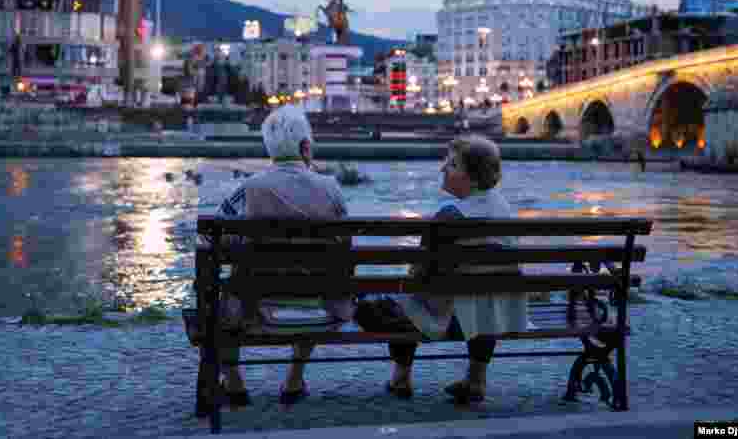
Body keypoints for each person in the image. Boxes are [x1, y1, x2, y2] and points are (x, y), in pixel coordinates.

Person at [198, 104, 352, 416]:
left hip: (257, 304)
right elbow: (346, 249)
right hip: (321, 304)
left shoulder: (250, 188)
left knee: (215, 298)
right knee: (315, 277)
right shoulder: (332, 188)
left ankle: (236, 382)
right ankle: (294, 380)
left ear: (269, 150)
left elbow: (212, 240)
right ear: (306, 147)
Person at [354, 135, 527, 403]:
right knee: (482, 297)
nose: (442, 168)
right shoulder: (504, 210)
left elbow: (418, 277)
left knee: (383, 305)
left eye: (452, 164)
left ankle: (401, 376)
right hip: (497, 317)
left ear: (473, 177)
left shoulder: (449, 216)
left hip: (452, 320)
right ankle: (476, 378)